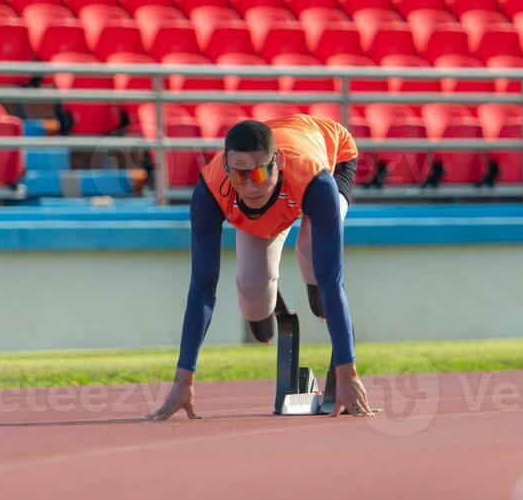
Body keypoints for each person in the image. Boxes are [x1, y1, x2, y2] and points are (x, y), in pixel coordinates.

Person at [147, 114, 375, 420]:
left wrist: (347, 372)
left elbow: (334, 281)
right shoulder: (211, 191)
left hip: (329, 159)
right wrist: (182, 379)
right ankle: (274, 312)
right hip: (284, 190)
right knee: (254, 296)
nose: (249, 187)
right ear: (226, 168)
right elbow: (202, 287)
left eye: (257, 174)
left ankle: (317, 304)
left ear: (277, 161)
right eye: (239, 176)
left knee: (312, 255)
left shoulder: (316, 180)